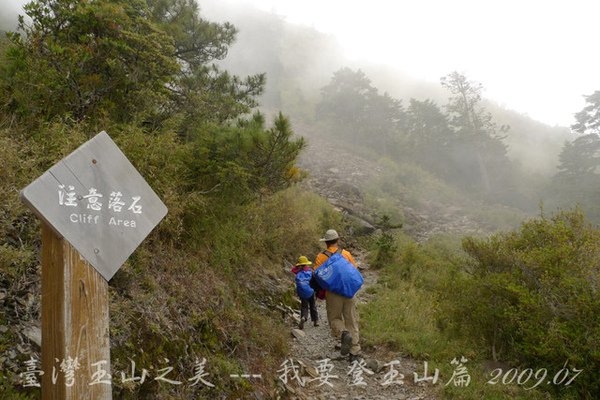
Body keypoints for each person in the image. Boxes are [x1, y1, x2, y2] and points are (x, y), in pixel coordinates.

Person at [313, 229, 361, 361]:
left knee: (334, 318)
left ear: (326, 242)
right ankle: (355, 352)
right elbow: (354, 271)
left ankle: (343, 333)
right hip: (349, 291)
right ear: (337, 240)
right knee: (351, 319)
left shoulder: (321, 257)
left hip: (333, 293)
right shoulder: (346, 254)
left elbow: (317, 276)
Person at [291, 256, 319, 329]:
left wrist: (298, 266)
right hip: (310, 291)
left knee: (304, 306)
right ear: (306, 263)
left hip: (302, 292)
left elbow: (293, 269)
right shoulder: (310, 271)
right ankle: (315, 320)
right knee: (313, 305)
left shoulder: (298, 272)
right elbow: (315, 280)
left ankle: (304, 317)